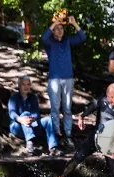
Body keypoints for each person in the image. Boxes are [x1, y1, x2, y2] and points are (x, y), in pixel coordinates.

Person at [45, 83, 114, 177]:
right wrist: (82, 117)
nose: (109, 100)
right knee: (77, 157)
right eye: (108, 96)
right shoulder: (102, 100)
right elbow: (92, 107)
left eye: (112, 97)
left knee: (112, 172)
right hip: (96, 137)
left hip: (111, 144)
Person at [42, 15, 86, 150]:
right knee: (55, 108)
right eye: (57, 28)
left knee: (67, 108)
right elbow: (44, 37)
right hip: (54, 80)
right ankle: (56, 134)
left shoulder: (67, 41)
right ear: (53, 31)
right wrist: (54, 22)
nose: (60, 30)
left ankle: (67, 135)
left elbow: (82, 37)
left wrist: (74, 23)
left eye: (61, 28)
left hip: (68, 78)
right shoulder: (50, 43)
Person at [8, 75, 61, 156]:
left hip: (32, 124)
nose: (26, 87)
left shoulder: (33, 97)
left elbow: (36, 113)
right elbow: (12, 113)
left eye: (28, 84)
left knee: (48, 120)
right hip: (17, 127)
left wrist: (31, 119)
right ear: (19, 86)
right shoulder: (13, 98)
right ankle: (29, 143)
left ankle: (53, 148)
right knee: (25, 114)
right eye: (23, 84)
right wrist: (20, 119)